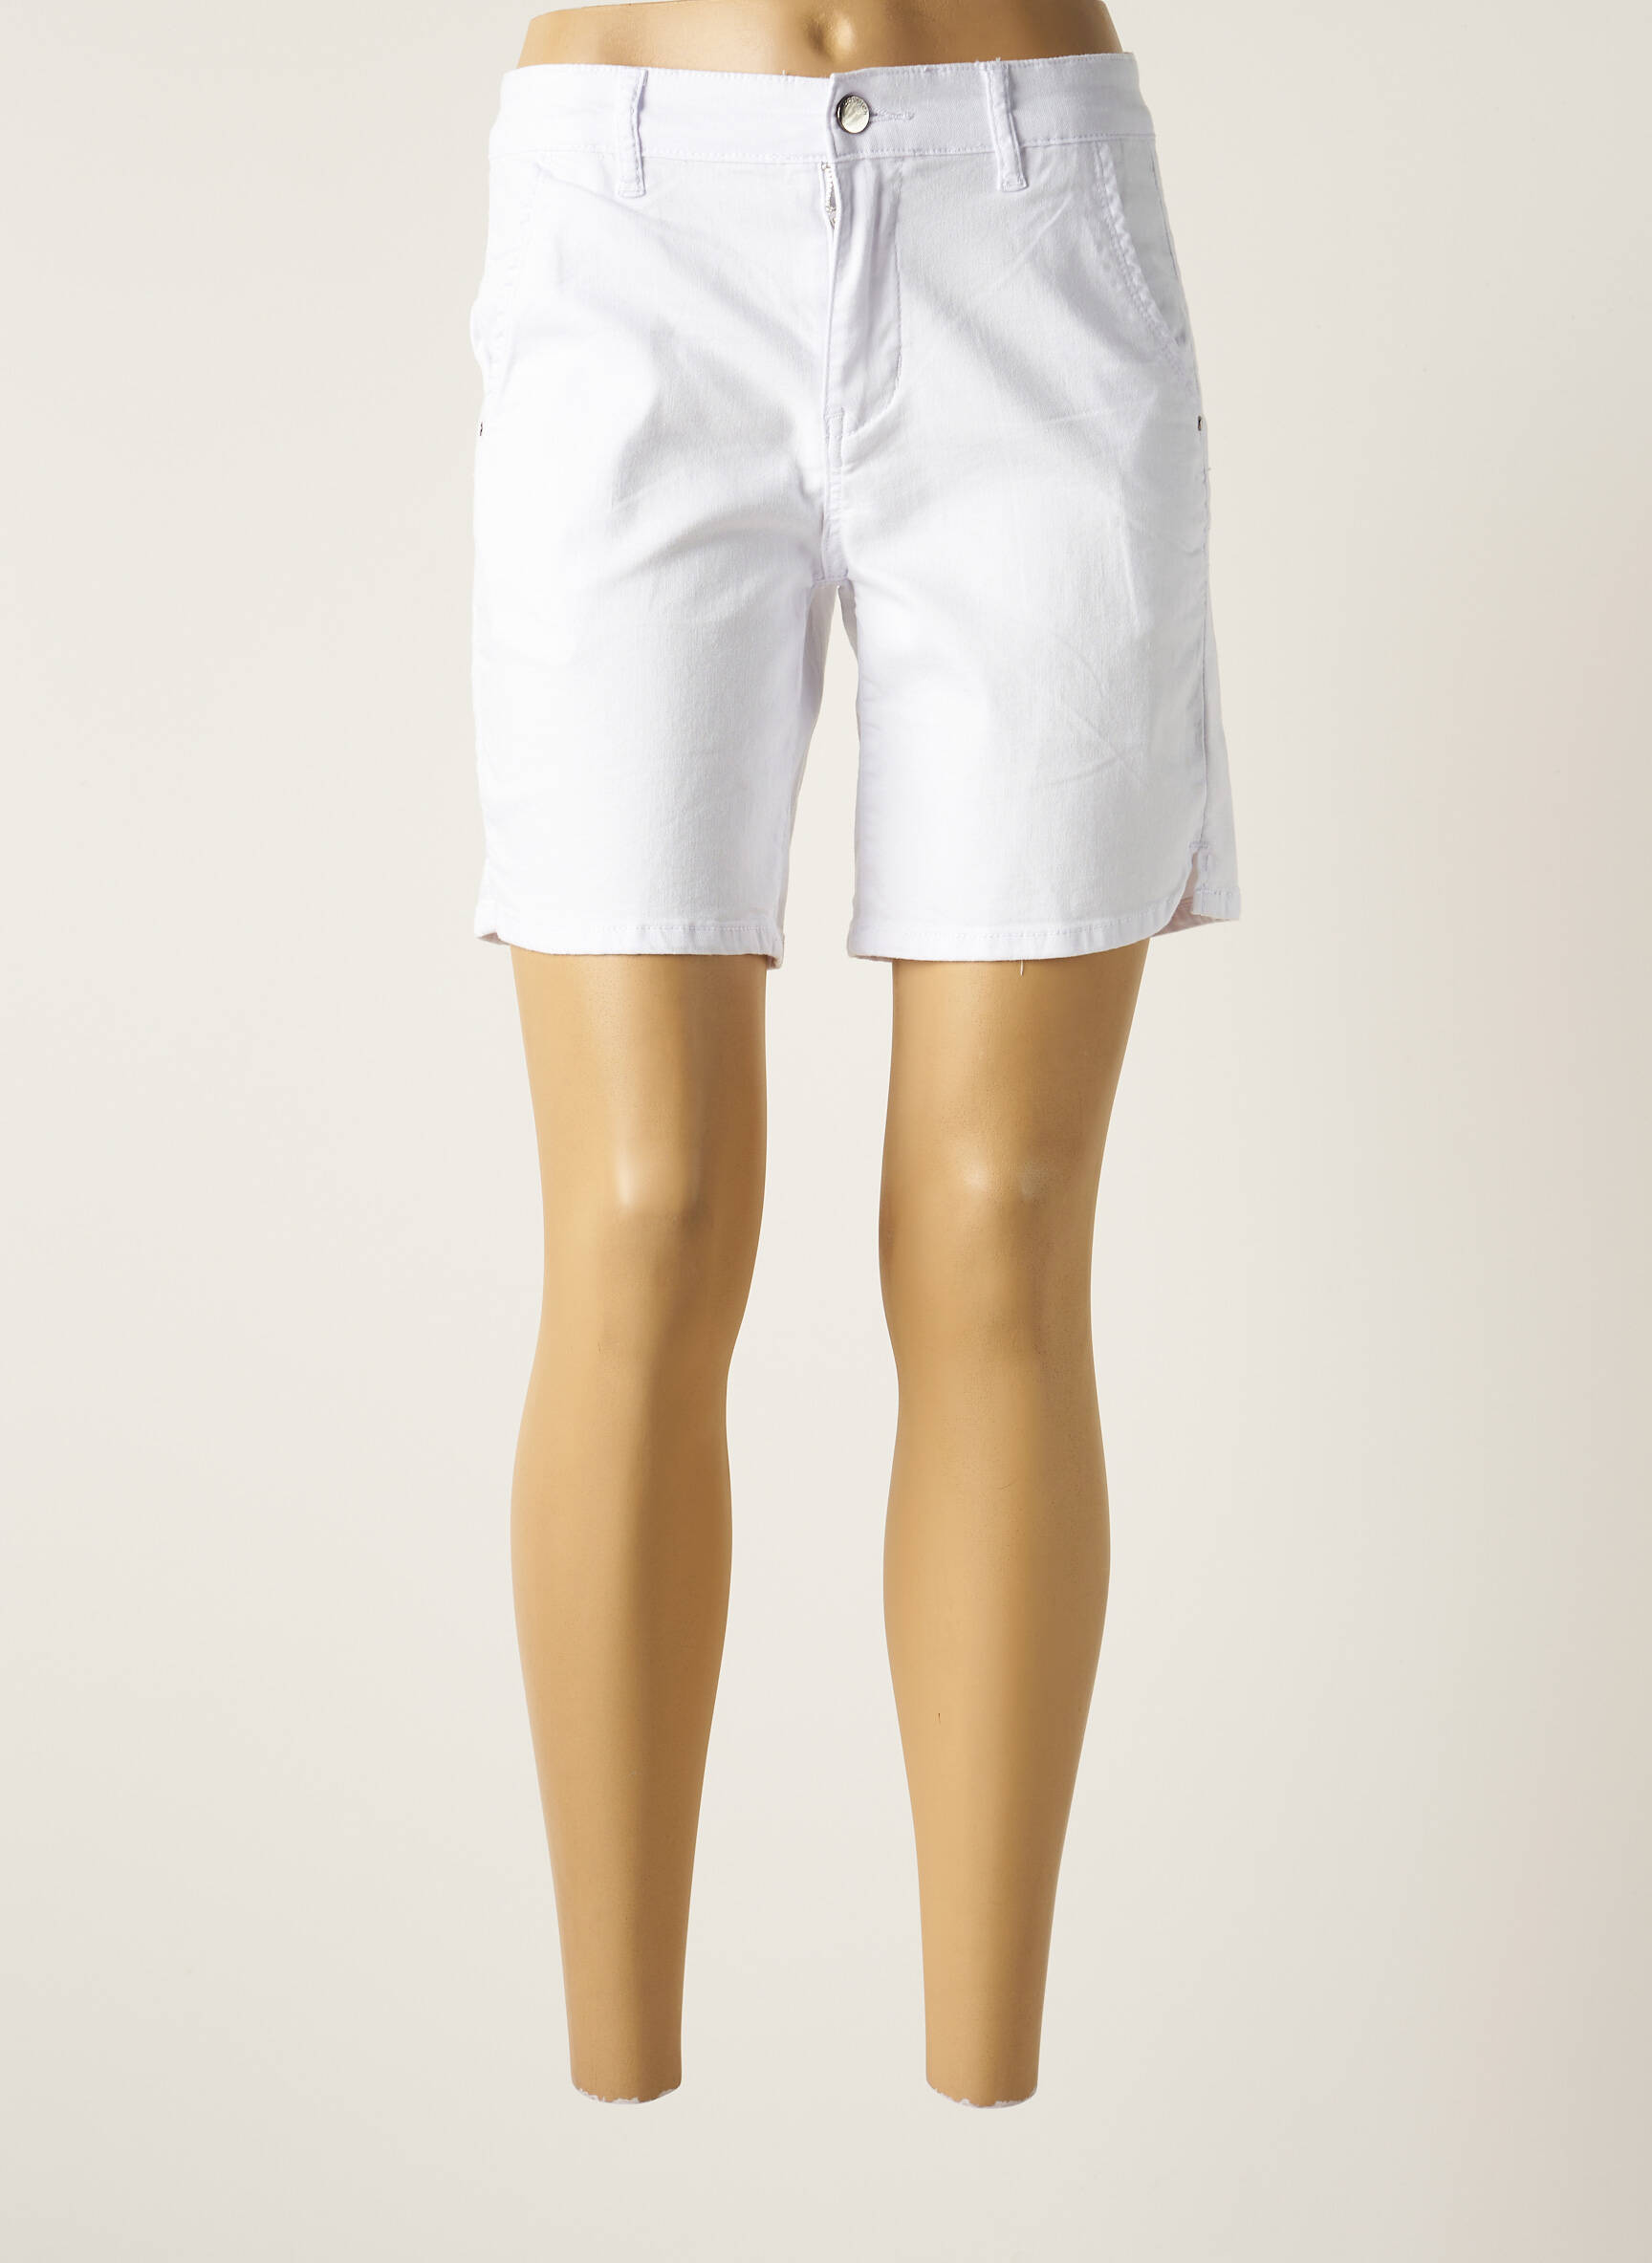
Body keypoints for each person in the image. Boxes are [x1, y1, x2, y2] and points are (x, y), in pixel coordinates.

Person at [467, 0, 1241, 2106]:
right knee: (644, 1207)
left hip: (1026, 212)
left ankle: (983, 2107)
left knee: (1001, 1216)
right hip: (632, 214)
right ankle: (618, 2099)